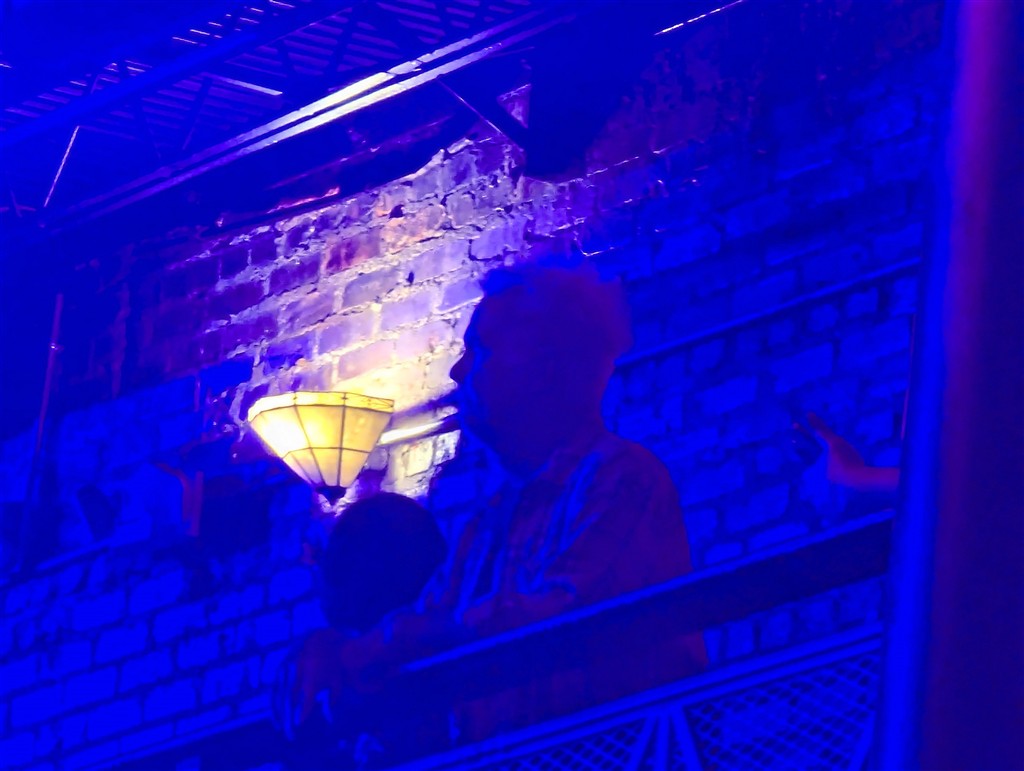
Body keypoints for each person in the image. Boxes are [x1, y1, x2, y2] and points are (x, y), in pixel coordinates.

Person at [293, 261, 706, 753]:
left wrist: (376, 648)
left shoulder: (619, 477)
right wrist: (350, 656)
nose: (457, 371)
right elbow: (428, 625)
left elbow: (562, 618)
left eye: (483, 347)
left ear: (549, 363)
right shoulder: (483, 527)